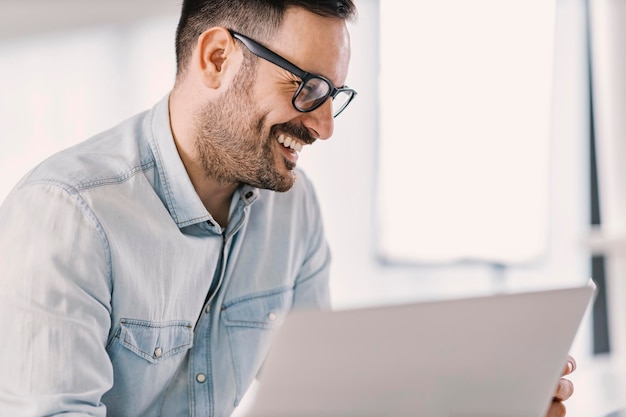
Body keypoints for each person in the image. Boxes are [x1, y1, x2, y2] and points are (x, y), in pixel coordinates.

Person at [0, 1, 575, 416]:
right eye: (308, 87)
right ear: (218, 58)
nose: (323, 127)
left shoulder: (293, 212)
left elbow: (328, 401)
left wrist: (493, 402)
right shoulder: (67, 217)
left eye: (335, 97)